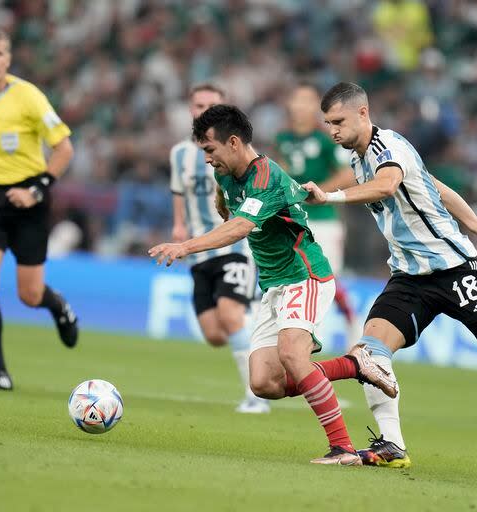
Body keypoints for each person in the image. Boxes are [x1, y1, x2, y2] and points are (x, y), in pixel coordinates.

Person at [305, 82, 477, 469]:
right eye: (328, 124)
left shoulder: (385, 149)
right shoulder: (359, 159)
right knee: (371, 352)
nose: (333, 131)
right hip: (410, 276)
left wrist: (331, 197)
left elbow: (389, 185)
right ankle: (392, 446)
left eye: (338, 121)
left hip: (453, 269)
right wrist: (475, 221)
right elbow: (436, 188)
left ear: (363, 112)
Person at [149, 104, 397, 465]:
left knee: (293, 357)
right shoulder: (226, 173)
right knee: (264, 383)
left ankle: (342, 447)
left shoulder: (267, 178)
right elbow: (227, 202)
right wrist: (223, 202)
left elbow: (240, 227)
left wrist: (185, 246)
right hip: (274, 285)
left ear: (233, 142)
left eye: (210, 150)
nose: (207, 159)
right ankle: (354, 364)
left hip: (305, 275)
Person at [0, 27, 78, 390]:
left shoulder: (28, 97)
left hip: (30, 198)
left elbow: (64, 148)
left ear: (8, 58)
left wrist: (36, 190)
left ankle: (58, 305)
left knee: (29, 295)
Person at [170, 84, 267, 414]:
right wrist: (179, 226)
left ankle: (256, 396)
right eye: (198, 104)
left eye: (211, 105)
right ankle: (255, 331)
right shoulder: (180, 155)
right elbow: (178, 193)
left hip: (234, 247)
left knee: (229, 315)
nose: (203, 110)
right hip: (198, 251)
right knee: (214, 333)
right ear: (190, 108)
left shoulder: (234, 151)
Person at [274, 84, 358, 342]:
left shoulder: (326, 138)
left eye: (307, 101)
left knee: (323, 281)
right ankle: (299, 338)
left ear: (317, 108)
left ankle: (343, 324)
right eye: (296, 100)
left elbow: (350, 174)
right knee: (295, 281)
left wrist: (317, 193)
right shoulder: (282, 139)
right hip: (291, 221)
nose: (301, 106)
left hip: (323, 221)